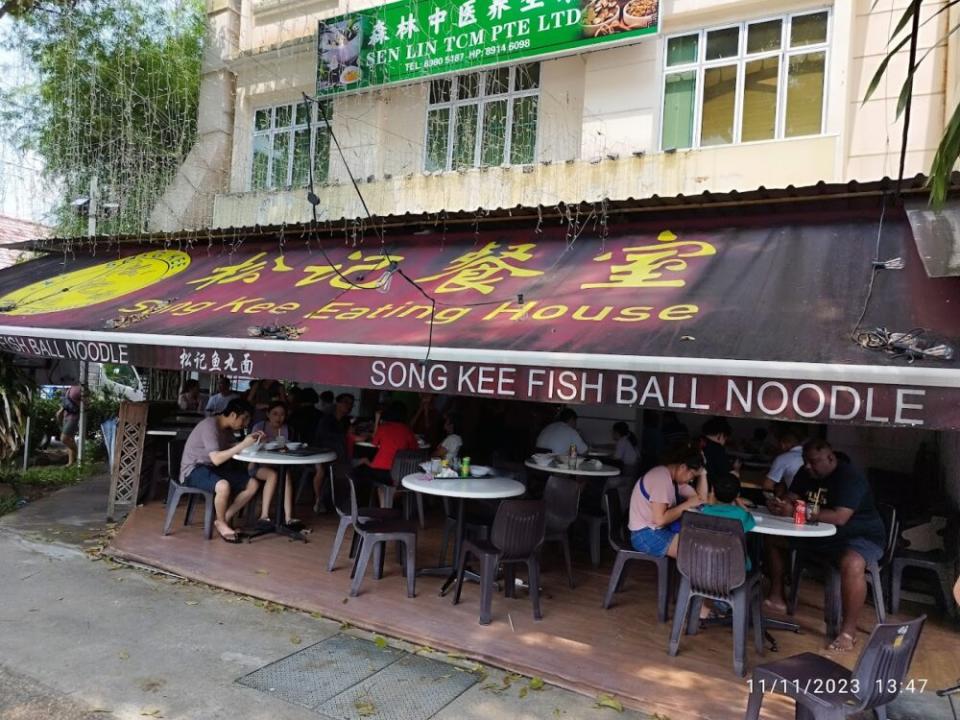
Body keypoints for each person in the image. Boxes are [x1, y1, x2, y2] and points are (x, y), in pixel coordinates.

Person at [764, 439, 886, 652]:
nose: (807, 466)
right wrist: (781, 503)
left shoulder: (850, 478)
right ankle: (776, 597)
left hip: (859, 536)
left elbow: (840, 517)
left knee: (852, 563)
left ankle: (848, 632)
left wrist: (794, 511)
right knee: (773, 539)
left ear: (830, 458)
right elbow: (792, 498)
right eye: (805, 461)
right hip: (818, 534)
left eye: (813, 461)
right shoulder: (806, 473)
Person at [178, 398, 270, 543]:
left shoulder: (226, 429)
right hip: (193, 470)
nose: (245, 424)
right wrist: (242, 445)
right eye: (244, 419)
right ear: (233, 415)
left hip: (212, 468)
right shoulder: (210, 426)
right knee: (223, 486)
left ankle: (224, 518)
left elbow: (230, 447)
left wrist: (253, 442)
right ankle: (221, 522)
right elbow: (216, 458)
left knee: (253, 483)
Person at [627, 441, 709, 559]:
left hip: (657, 530)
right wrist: (687, 505)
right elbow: (660, 520)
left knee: (699, 544)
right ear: (683, 467)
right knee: (695, 552)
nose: (691, 480)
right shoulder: (661, 478)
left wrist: (703, 473)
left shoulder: (674, 479)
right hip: (645, 535)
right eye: (693, 475)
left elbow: (700, 499)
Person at [354, 401, 418, 505]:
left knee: (380, 485)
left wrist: (377, 421)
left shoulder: (383, 427)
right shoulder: (407, 430)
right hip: (397, 472)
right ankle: (387, 508)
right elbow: (414, 449)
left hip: (378, 471)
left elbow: (374, 443)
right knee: (395, 486)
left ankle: (384, 509)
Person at [250, 401, 301, 529]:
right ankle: (264, 515)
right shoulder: (259, 427)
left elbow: (284, 449)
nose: (279, 418)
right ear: (268, 414)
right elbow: (251, 448)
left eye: (282, 414)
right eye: (275, 414)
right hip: (257, 465)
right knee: (272, 475)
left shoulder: (286, 429)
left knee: (286, 475)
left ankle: (288, 518)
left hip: (277, 464)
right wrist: (261, 442)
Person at [701, 473, 756, 570]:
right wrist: (739, 502)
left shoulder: (705, 511)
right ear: (738, 494)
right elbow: (751, 523)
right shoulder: (742, 514)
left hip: (705, 563)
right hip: (735, 567)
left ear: (713, 490)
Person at [313, 393, 355, 514]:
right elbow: (322, 437)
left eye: (351, 404)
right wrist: (346, 435)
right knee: (320, 470)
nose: (349, 406)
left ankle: (340, 502)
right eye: (346, 402)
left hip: (339, 455)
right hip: (321, 452)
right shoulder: (326, 419)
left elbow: (349, 437)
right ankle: (318, 499)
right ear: (337, 403)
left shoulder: (346, 421)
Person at [762, 428, 804, 498]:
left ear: (782, 444)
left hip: (795, 501)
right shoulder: (808, 454)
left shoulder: (783, 458)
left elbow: (767, 486)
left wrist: (773, 501)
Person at [701, 416, 740, 484]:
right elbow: (731, 476)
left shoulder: (697, 442)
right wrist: (736, 468)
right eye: (726, 438)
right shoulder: (717, 449)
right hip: (711, 487)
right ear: (721, 435)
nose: (724, 442)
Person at [56, 383, 83, 466]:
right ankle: (70, 462)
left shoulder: (80, 388)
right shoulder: (70, 388)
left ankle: (80, 454)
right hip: (66, 416)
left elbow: (87, 402)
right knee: (70, 440)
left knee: (64, 439)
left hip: (73, 418)